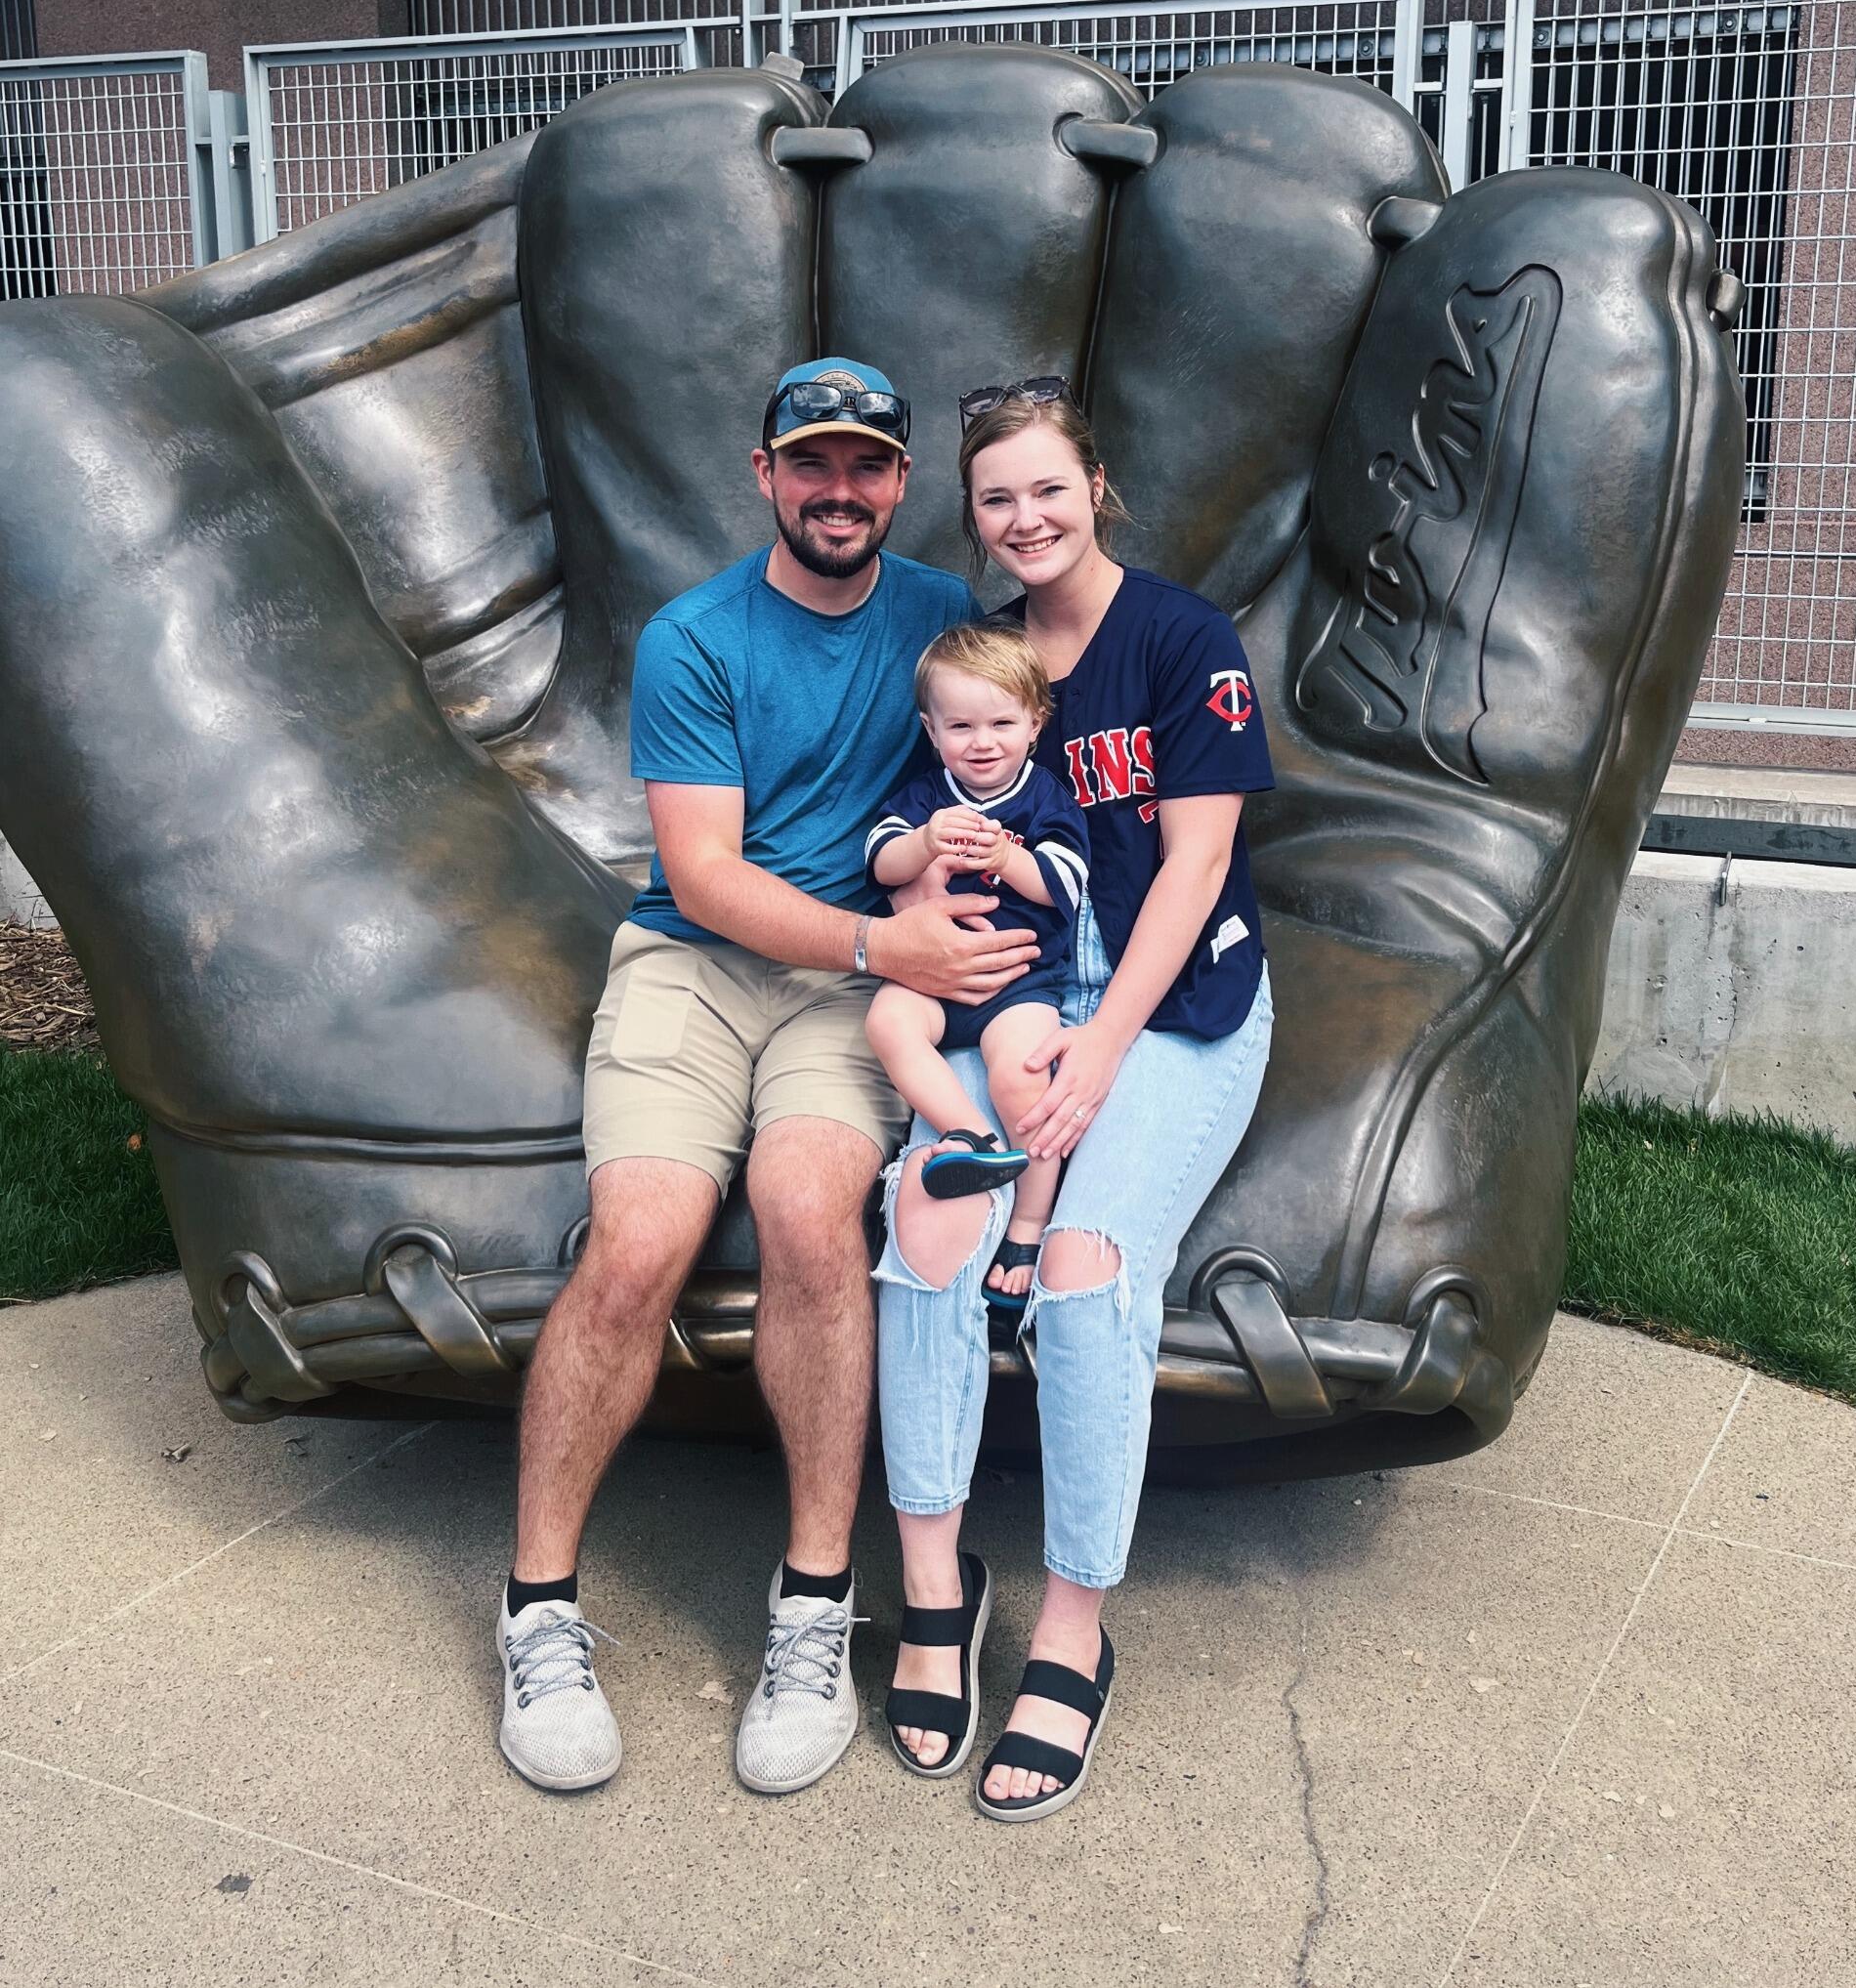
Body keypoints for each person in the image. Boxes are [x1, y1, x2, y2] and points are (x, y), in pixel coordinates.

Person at [495, 359, 1038, 1801]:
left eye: (867, 465)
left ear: (900, 483)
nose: (840, 490)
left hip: (849, 990)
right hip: (696, 959)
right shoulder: (697, 635)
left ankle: (812, 1607)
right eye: (814, 464)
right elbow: (703, 876)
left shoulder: (943, 616)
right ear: (765, 476)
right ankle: (537, 1609)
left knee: (811, 1213)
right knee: (644, 1238)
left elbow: (1047, 709)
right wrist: (888, 938)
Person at [874, 378, 1275, 1820]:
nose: (1024, 516)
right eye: (995, 497)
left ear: (1094, 485)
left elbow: (1196, 866)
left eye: (1048, 486)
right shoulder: (973, 662)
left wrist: (1104, 1046)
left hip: (1172, 1003)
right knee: (926, 1222)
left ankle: (1068, 1635)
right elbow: (920, 844)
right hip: (1012, 996)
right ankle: (934, 1587)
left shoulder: (1182, 639)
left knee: (1090, 1267)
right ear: (971, 514)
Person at [863, 622, 1089, 1303]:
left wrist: (1007, 859)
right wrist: (923, 844)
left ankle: (1027, 1223)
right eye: (959, 726)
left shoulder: (1045, 796)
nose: (981, 742)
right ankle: (972, 1136)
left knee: (1024, 1076)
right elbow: (878, 859)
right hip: (930, 977)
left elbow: (1066, 885)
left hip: (1016, 983)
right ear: (931, 732)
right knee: (887, 1025)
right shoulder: (926, 798)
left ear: (1034, 723)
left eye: (1000, 722)